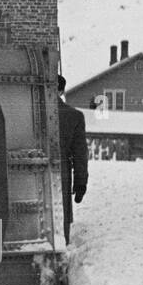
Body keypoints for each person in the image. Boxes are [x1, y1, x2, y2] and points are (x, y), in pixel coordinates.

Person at [57, 74, 88, 242]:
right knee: (60, 218)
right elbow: (80, 154)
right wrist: (81, 183)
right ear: (61, 91)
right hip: (61, 173)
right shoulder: (74, 116)